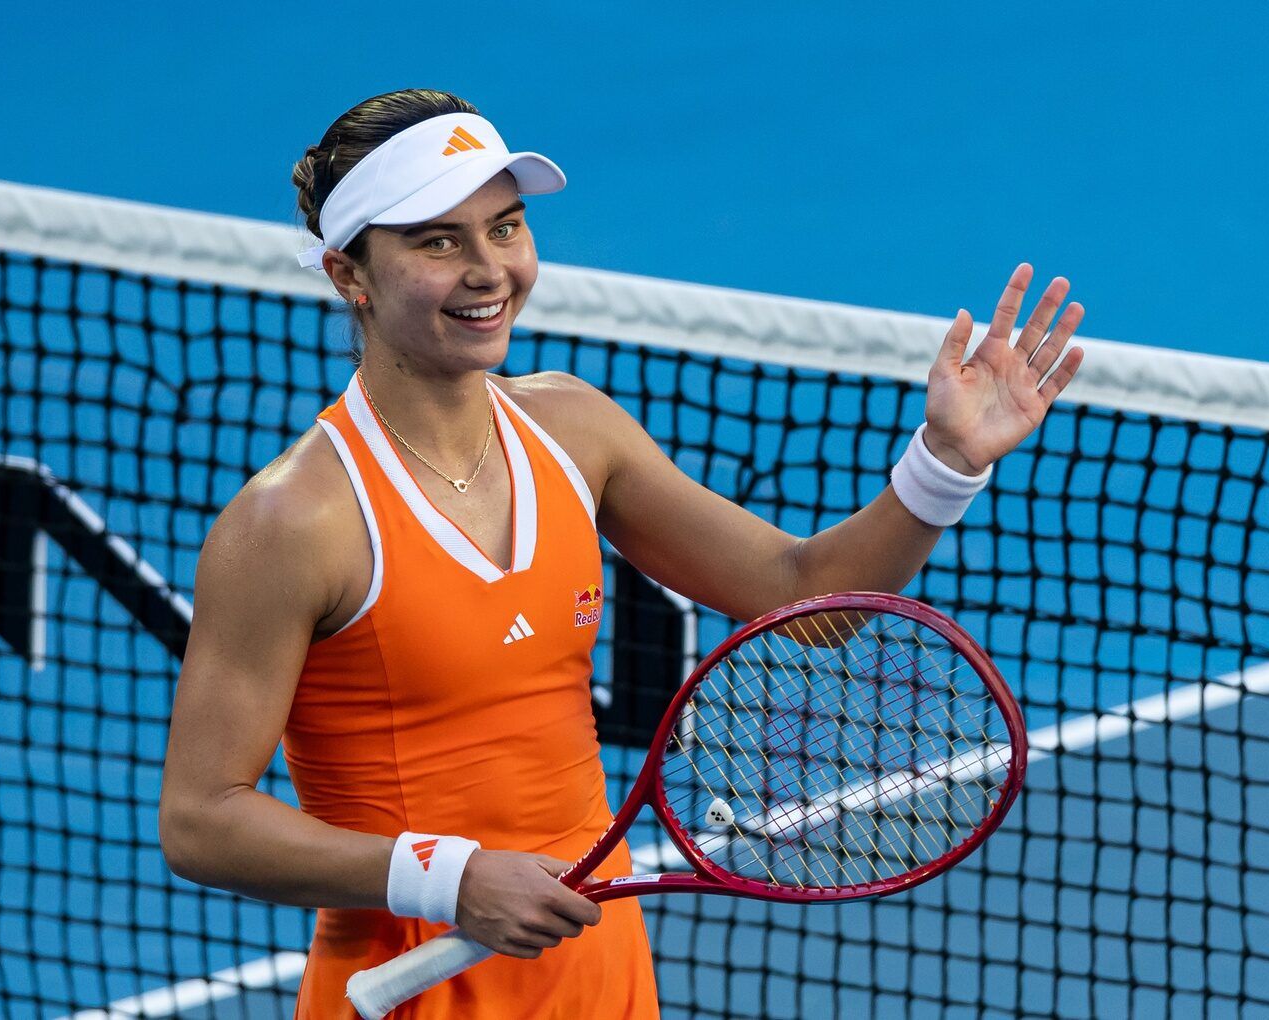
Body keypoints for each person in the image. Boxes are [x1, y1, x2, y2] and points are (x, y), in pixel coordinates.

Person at [158, 88, 1084, 1019]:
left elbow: (804, 598)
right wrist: (452, 877)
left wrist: (946, 464)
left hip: (592, 970)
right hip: (408, 986)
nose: (489, 270)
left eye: (506, 228)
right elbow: (202, 822)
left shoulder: (573, 430)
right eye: (438, 242)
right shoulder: (293, 522)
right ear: (348, 275)